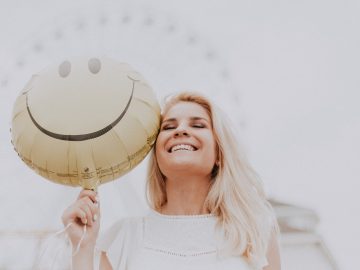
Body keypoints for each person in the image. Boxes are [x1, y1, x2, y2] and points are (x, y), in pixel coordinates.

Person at [62, 92, 281, 270]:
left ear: (219, 154)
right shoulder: (124, 238)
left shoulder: (254, 231)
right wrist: (82, 248)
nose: (181, 130)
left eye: (198, 125)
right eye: (168, 127)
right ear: (157, 155)